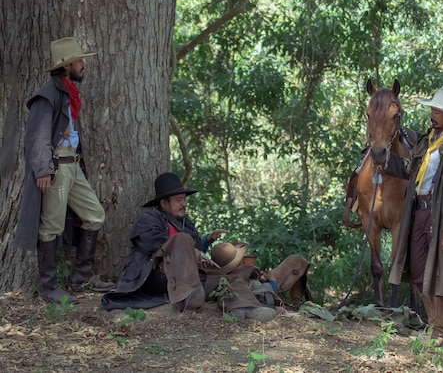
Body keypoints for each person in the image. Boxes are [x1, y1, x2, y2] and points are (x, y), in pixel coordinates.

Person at [103, 172, 311, 321]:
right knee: (182, 239)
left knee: (229, 279)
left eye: (184, 199)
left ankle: (245, 308)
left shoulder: (186, 223)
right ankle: (189, 294)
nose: (183, 203)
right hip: (158, 276)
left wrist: (206, 242)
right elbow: (147, 243)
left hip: (193, 276)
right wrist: (182, 245)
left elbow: (196, 250)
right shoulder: (150, 218)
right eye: (178, 200)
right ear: (164, 203)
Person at [15, 37, 114, 304]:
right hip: (56, 168)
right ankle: (48, 287)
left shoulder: (68, 92)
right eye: (81, 60)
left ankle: (81, 277)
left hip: (73, 166)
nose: (85, 64)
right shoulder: (47, 95)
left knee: (94, 215)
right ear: (67, 65)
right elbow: (36, 137)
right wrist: (43, 170)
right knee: (50, 227)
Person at [385, 87, 443, 346]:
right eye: (433, 109)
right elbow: (411, 171)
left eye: (438, 111)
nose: (432, 114)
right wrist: (384, 160)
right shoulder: (426, 142)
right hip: (418, 212)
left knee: (442, 274)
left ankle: (440, 331)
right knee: (417, 270)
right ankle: (433, 325)